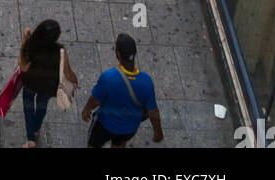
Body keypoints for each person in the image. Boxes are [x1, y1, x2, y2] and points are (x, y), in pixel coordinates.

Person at [82, 34, 164, 149]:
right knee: (119, 144)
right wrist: (158, 132)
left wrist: (87, 109)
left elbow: (95, 100)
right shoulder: (146, 82)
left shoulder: (108, 77)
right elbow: (153, 111)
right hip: (129, 129)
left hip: (104, 124)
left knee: (93, 145)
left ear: (118, 54)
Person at [16, 19, 78, 147]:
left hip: (31, 83)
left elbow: (23, 67)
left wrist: (24, 40)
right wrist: (74, 81)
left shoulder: (31, 45)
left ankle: (30, 139)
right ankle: (36, 129)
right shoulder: (60, 50)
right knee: (41, 105)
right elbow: (67, 72)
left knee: (28, 107)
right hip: (48, 86)